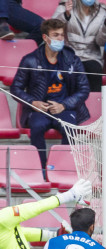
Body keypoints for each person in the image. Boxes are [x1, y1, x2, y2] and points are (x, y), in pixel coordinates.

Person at [10, 18, 90, 179]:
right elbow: (15, 88)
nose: (60, 39)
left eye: (62, 35)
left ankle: (62, 169)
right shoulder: (30, 59)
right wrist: (33, 102)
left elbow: (84, 89)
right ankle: (40, 169)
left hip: (64, 108)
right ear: (46, 38)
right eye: (56, 35)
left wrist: (64, 105)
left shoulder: (72, 60)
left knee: (70, 128)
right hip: (40, 109)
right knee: (37, 127)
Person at [53, 0, 106, 92]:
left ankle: (94, 103)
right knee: (68, 72)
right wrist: (66, 15)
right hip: (68, 54)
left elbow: (100, 42)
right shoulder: (65, 6)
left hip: (90, 56)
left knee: (94, 70)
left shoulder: (102, 11)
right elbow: (52, 30)